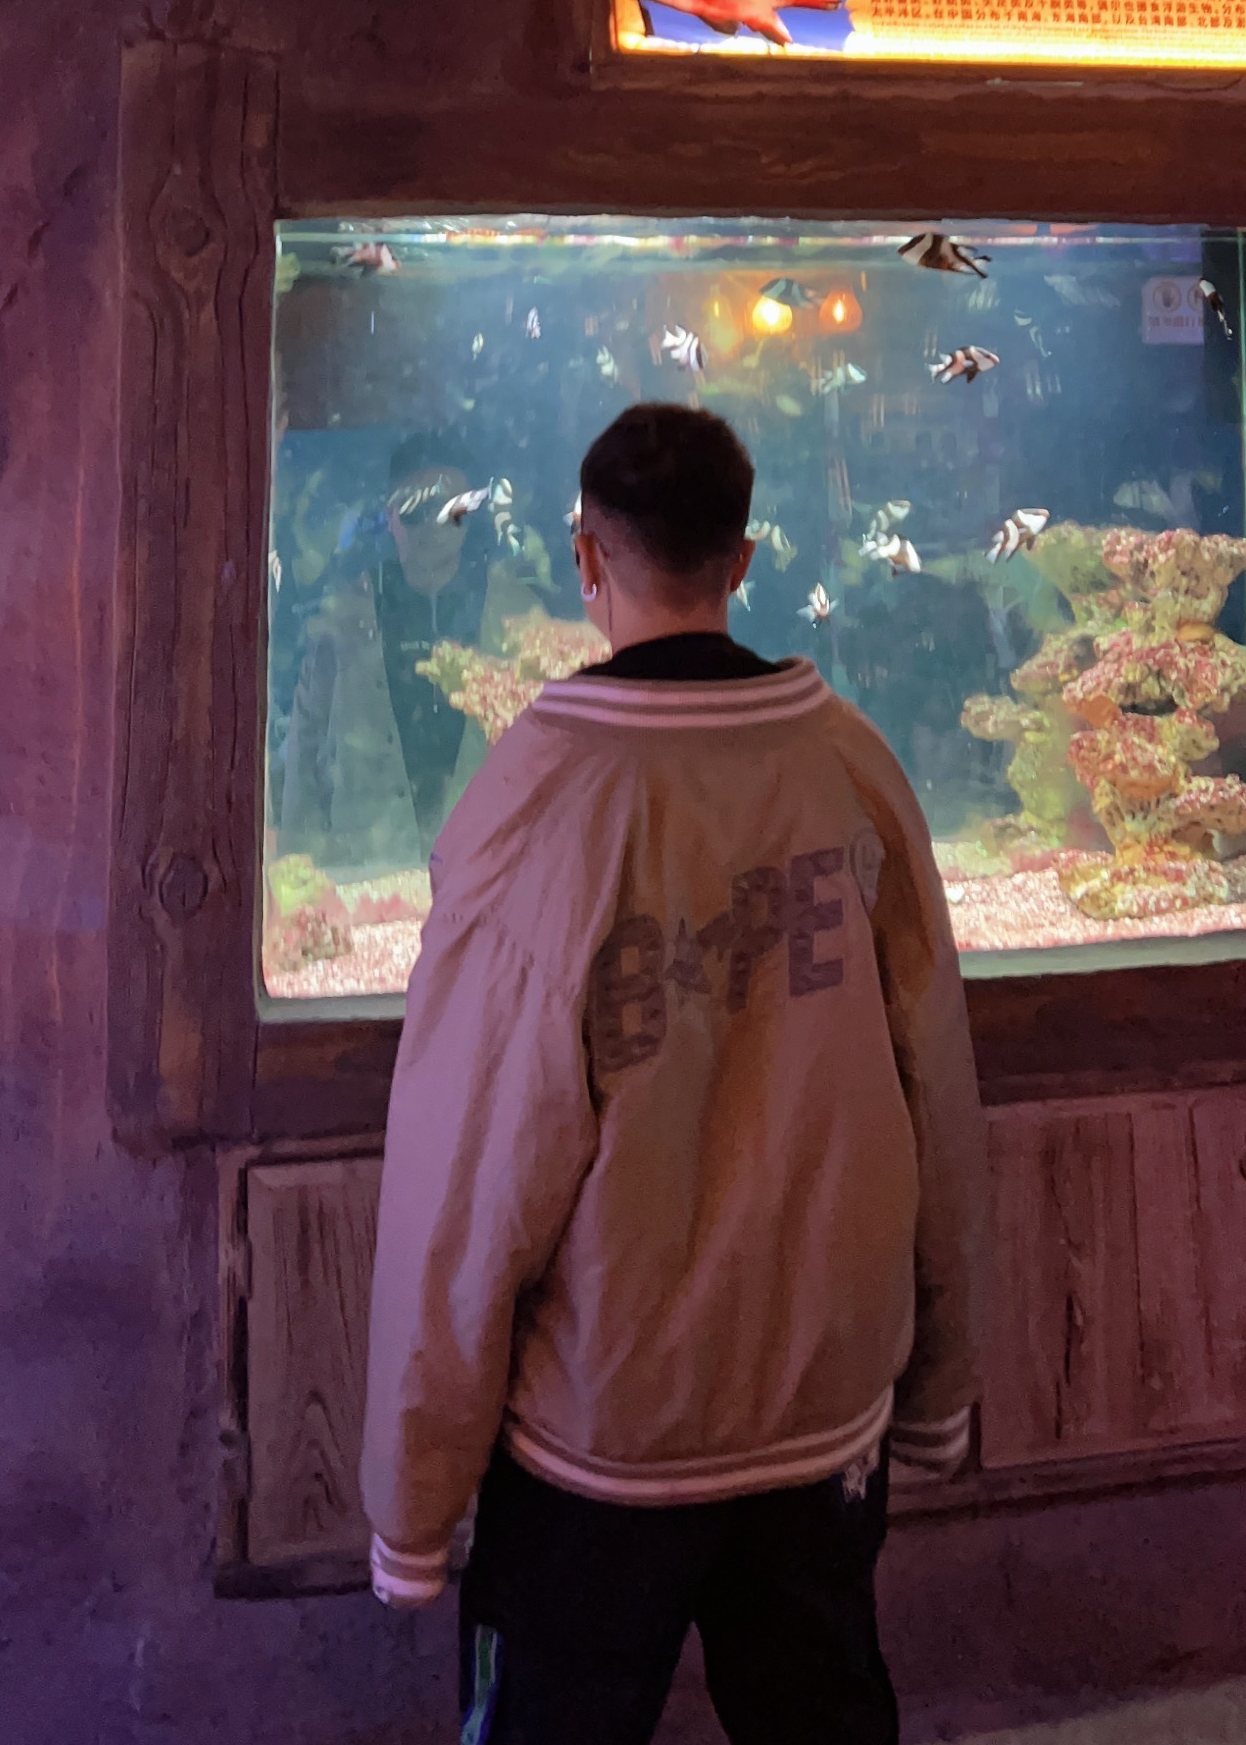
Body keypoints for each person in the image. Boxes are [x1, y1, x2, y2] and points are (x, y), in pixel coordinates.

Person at [360, 401, 989, 1745]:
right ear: (744, 560)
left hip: (605, 1438)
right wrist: (940, 1382)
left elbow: (468, 1168)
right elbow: (934, 1087)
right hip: (823, 1409)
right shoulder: (849, 764)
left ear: (586, 556)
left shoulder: (541, 797)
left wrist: (412, 1496)